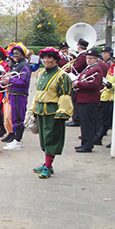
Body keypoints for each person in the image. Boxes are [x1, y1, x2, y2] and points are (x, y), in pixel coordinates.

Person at [31, 47, 73, 178]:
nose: (46, 60)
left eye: (50, 58)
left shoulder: (62, 76)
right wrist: (33, 108)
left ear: (55, 60)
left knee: (51, 140)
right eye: (44, 58)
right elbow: (37, 93)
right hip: (41, 111)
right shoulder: (41, 74)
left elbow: (64, 96)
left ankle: (48, 167)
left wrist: (63, 112)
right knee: (44, 140)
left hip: (53, 112)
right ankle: (47, 164)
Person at [72, 48, 105, 153]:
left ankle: (87, 145)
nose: (88, 60)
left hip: (89, 100)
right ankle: (84, 143)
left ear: (96, 59)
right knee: (84, 123)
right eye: (87, 58)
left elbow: (94, 85)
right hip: (83, 99)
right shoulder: (88, 68)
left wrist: (78, 84)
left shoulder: (97, 69)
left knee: (88, 124)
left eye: (91, 58)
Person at [2, 45, 31, 151]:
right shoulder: (17, 65)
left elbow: (24, 81)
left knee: (18, 117)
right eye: (13, 53)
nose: (15, 55)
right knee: (14, 117)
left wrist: (10, 80)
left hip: (20, 95)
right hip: (13, 94)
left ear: (22, 54)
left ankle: (18, 141)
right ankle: (16, 139)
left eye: (17, 53)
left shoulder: (25, 65)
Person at [65, 38, 89, 127]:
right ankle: (76, 118)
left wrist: (65, 71)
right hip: (77, 78)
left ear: (79, 46)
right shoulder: (82, 55)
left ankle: (76, 119)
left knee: (75, 99)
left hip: (77, 79)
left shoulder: (83, 56)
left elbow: (76, 68)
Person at [96, 53, 115, 144]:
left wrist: (112, 86)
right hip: (107, 96)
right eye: (114, 58)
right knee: (105, 118)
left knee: (114, 120)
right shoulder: (112, 67)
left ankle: (114, 141)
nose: (114, 60)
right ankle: (100, 137)